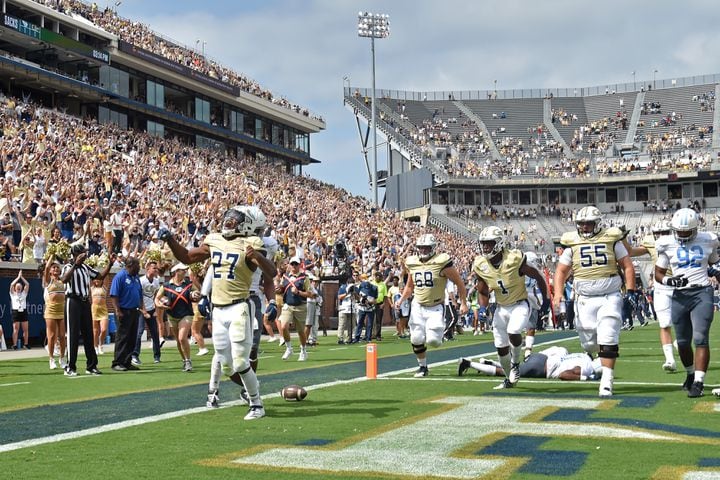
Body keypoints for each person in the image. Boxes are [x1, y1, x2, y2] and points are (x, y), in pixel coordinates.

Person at [158, 205, 276, 420]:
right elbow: (187, 257)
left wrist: (257, 257)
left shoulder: (253, 243)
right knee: (225, 362)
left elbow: (272, 273)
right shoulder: (214, 240)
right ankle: (239, 389)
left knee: (241, 361)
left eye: (234, 219)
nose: (228, 222)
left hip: (240, 306)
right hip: (218, 309)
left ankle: (257, 404)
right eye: (228, 218)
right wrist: (170, 240)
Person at [553, 206, 636, 397]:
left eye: (588, 223)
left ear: (598, 223)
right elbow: (561, 271)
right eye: (581, 223)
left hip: (610, 295)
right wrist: (558, 293)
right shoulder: (572, 242)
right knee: (589, 344)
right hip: (584, 299)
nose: (584, 227)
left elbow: (627, 266)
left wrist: (630, 290)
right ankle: (602, 362)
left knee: (608, 336)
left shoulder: (611, 238)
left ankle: (607, 381)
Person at [472, 227, 550, 389]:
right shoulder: (480, 264)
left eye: (489, 243)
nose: (485, 247)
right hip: (501, 308)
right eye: (483, 244)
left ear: (499, 243)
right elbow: (482, 290)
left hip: (520, 304)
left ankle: (515, 362)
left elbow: (537, 275)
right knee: (501, 349)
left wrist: (546, 299)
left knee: (514, 331)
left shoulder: (514, 258)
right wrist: (482, 308)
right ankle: (509, 378)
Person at [655, 208, 719, 398]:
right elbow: (658, 273)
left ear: (695, 229)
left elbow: (715, 265)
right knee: (682, 342)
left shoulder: (708, 240)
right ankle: (691, 374)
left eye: (686, 231)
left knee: (700, 338)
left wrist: (716, 271)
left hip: (702, 292)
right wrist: (669, 281)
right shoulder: (666, 244)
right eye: (679, 231)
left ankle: (699, 381)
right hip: (680, 295)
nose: (682, 235)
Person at [395, 233, 468, 377]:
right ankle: (423, 367)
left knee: (433, 341)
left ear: (433, 248)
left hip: (435, 306)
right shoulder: (413, 263)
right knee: (416, 338)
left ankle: (437, 334)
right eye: (421, 248)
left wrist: (463, 303)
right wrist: (402, 299)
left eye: (426, 248)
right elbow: (410, 286)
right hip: (418, 305)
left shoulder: (441, 262)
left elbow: (459, 283)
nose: (423, 251)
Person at [624, 220, 677, 371]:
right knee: (664, 323)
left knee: (683, 320)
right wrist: (622, 238)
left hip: (680, 284)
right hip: (661, 285)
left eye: (665, 233)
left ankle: (680, 342)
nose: (661, 236)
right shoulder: (650, 242)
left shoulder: (680, 241)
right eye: (658, 234)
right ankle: (670, 359)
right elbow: (630, 252)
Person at [60, 243, 113, 376]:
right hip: (72, 301)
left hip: (84, 302)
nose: (86, 254)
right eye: (84, 252)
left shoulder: (85, 267)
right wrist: (74, 264)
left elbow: (99, 276)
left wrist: (110, 265)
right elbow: (64, 279)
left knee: (88, 334)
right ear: (77, 254)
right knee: (72, 335)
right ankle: (70, 367)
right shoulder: (67, 266)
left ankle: (91, 365)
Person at [458, 346, 602, 381]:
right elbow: (564, 375)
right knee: (507, 373)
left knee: (512, 368)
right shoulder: (588, 367)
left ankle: (488, 362)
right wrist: (586, 378)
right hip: (541, 368)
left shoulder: (583, 357)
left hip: (541, 358)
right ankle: (468, 363)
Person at [154, 263, 195, 372]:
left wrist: (196, 295)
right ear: (176, 272)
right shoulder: (166, 285)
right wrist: (159, 304)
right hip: (172, 315)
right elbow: (157, 298)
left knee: (182, 338)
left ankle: (188, 360)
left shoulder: (189, 284)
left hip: (186, 314)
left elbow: (198, 293)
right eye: (182, 270)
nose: (185, 272)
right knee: (178, 340)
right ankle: (184, 360)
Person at [110, 256, 142, 372]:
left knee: (132, 338)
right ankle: (117, 362)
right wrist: (117, 310)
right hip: (123, 311)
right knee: (122, 337)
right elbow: (114, 295)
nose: (139, 267)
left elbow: (139, 292)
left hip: (134, 311)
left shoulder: (136, 277)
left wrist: (141, 307)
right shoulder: (120, 276)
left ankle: (127, 362)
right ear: (130, 266)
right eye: (137, 265)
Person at [279, 256, 313, 360]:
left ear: (299, 265)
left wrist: (298, 292)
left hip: (300, 306)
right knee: (283, 326)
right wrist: (278, 289)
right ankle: (289, 348)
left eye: (296, 264)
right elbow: (281, 288)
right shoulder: (285, 277)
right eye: (292, 264)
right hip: (288, 305)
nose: (293, 266)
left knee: (300, 331)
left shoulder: (304, 278)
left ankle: (303, 350)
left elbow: (310, 294)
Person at [133, 260, 162, 364]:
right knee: (139, 332)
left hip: (152, 309)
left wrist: (156, 310)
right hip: (141, 309)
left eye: (156, 268)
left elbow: (157, 295)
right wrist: (144, 311)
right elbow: (139, 297)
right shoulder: (141, 281)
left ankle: (157, 356)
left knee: (155, 333)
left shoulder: (156, 281)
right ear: (148, 269)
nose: (155, 270)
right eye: (154, 268)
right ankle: (135, 355)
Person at [43, 261, 66, 369]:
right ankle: (51, 359)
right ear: (51, 271)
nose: (56, 269)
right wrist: (52, 253)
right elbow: (47, 267)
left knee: (62, 336)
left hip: (61, 311)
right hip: (51, 311)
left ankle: (62, 358)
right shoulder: (48, 281)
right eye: (54, 267)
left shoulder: (62, 281)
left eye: (57, 267)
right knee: (52, 336)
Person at [9, 270, 30, 349]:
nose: (18, 287)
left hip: (23, 311)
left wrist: (22, 277)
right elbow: (11, 284)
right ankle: (14, 345)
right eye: (17, 286)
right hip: (16, 312)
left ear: (21, 287)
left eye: (20, 286)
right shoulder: (12, 294)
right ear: (15, 288)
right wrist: (18, 277)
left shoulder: (24, 293)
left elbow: (27, 284)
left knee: (25, 329)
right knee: (16, 329)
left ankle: (26, 344)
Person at [90, 278, 109, 355]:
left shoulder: (104, 288)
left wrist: (106, 266)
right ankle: (95, 347)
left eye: (99, 279)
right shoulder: (92, 288)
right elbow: (89, 277)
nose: (97, 281)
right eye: (95, 279)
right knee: (95, 331)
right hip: (94, 310)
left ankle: (101, 344)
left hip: (103, 310)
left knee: (104, 329)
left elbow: (106, 277)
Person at [336, 273, 356, 344]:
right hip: (343, 308)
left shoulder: (355, 288)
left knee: (351, 325)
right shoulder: (343, 287)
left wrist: (354, 293)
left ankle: (349, 338)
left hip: (352, 308)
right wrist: (347, 293)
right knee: (342, 324)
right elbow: (339, 297)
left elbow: (358, 298)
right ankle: (340, 338)